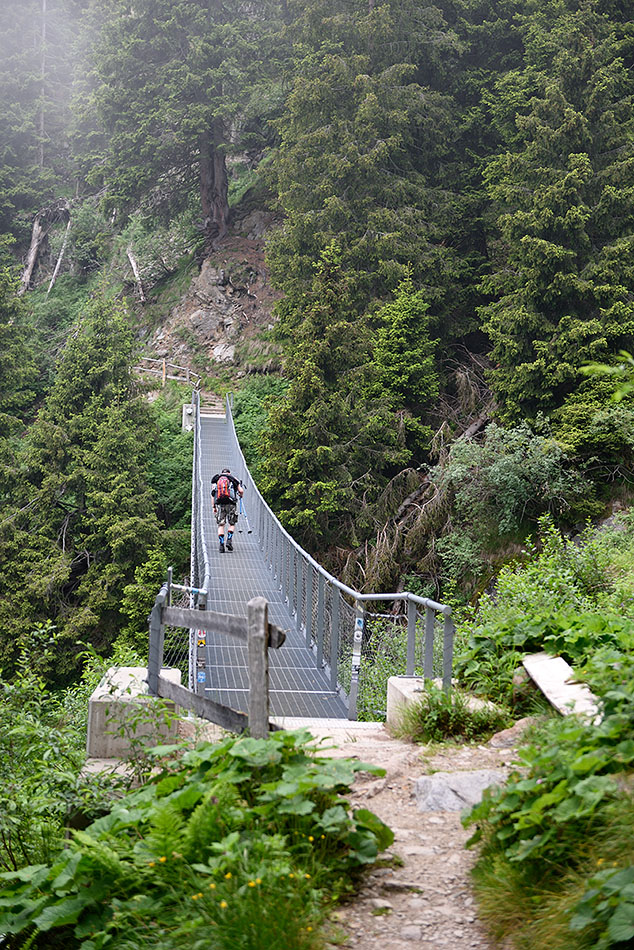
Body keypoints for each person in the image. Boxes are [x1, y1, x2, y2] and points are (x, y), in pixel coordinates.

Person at [211, 467, 244, 553]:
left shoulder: (216, 480)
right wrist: (241, 495)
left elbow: (213, 494)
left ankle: (221, 544)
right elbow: (241, 490)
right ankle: (229, 540)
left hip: (220, 504)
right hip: (231, 504)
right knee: (232, 523)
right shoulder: (233, 479)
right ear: (229, 473)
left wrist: (213, 507)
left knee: (221, 525)